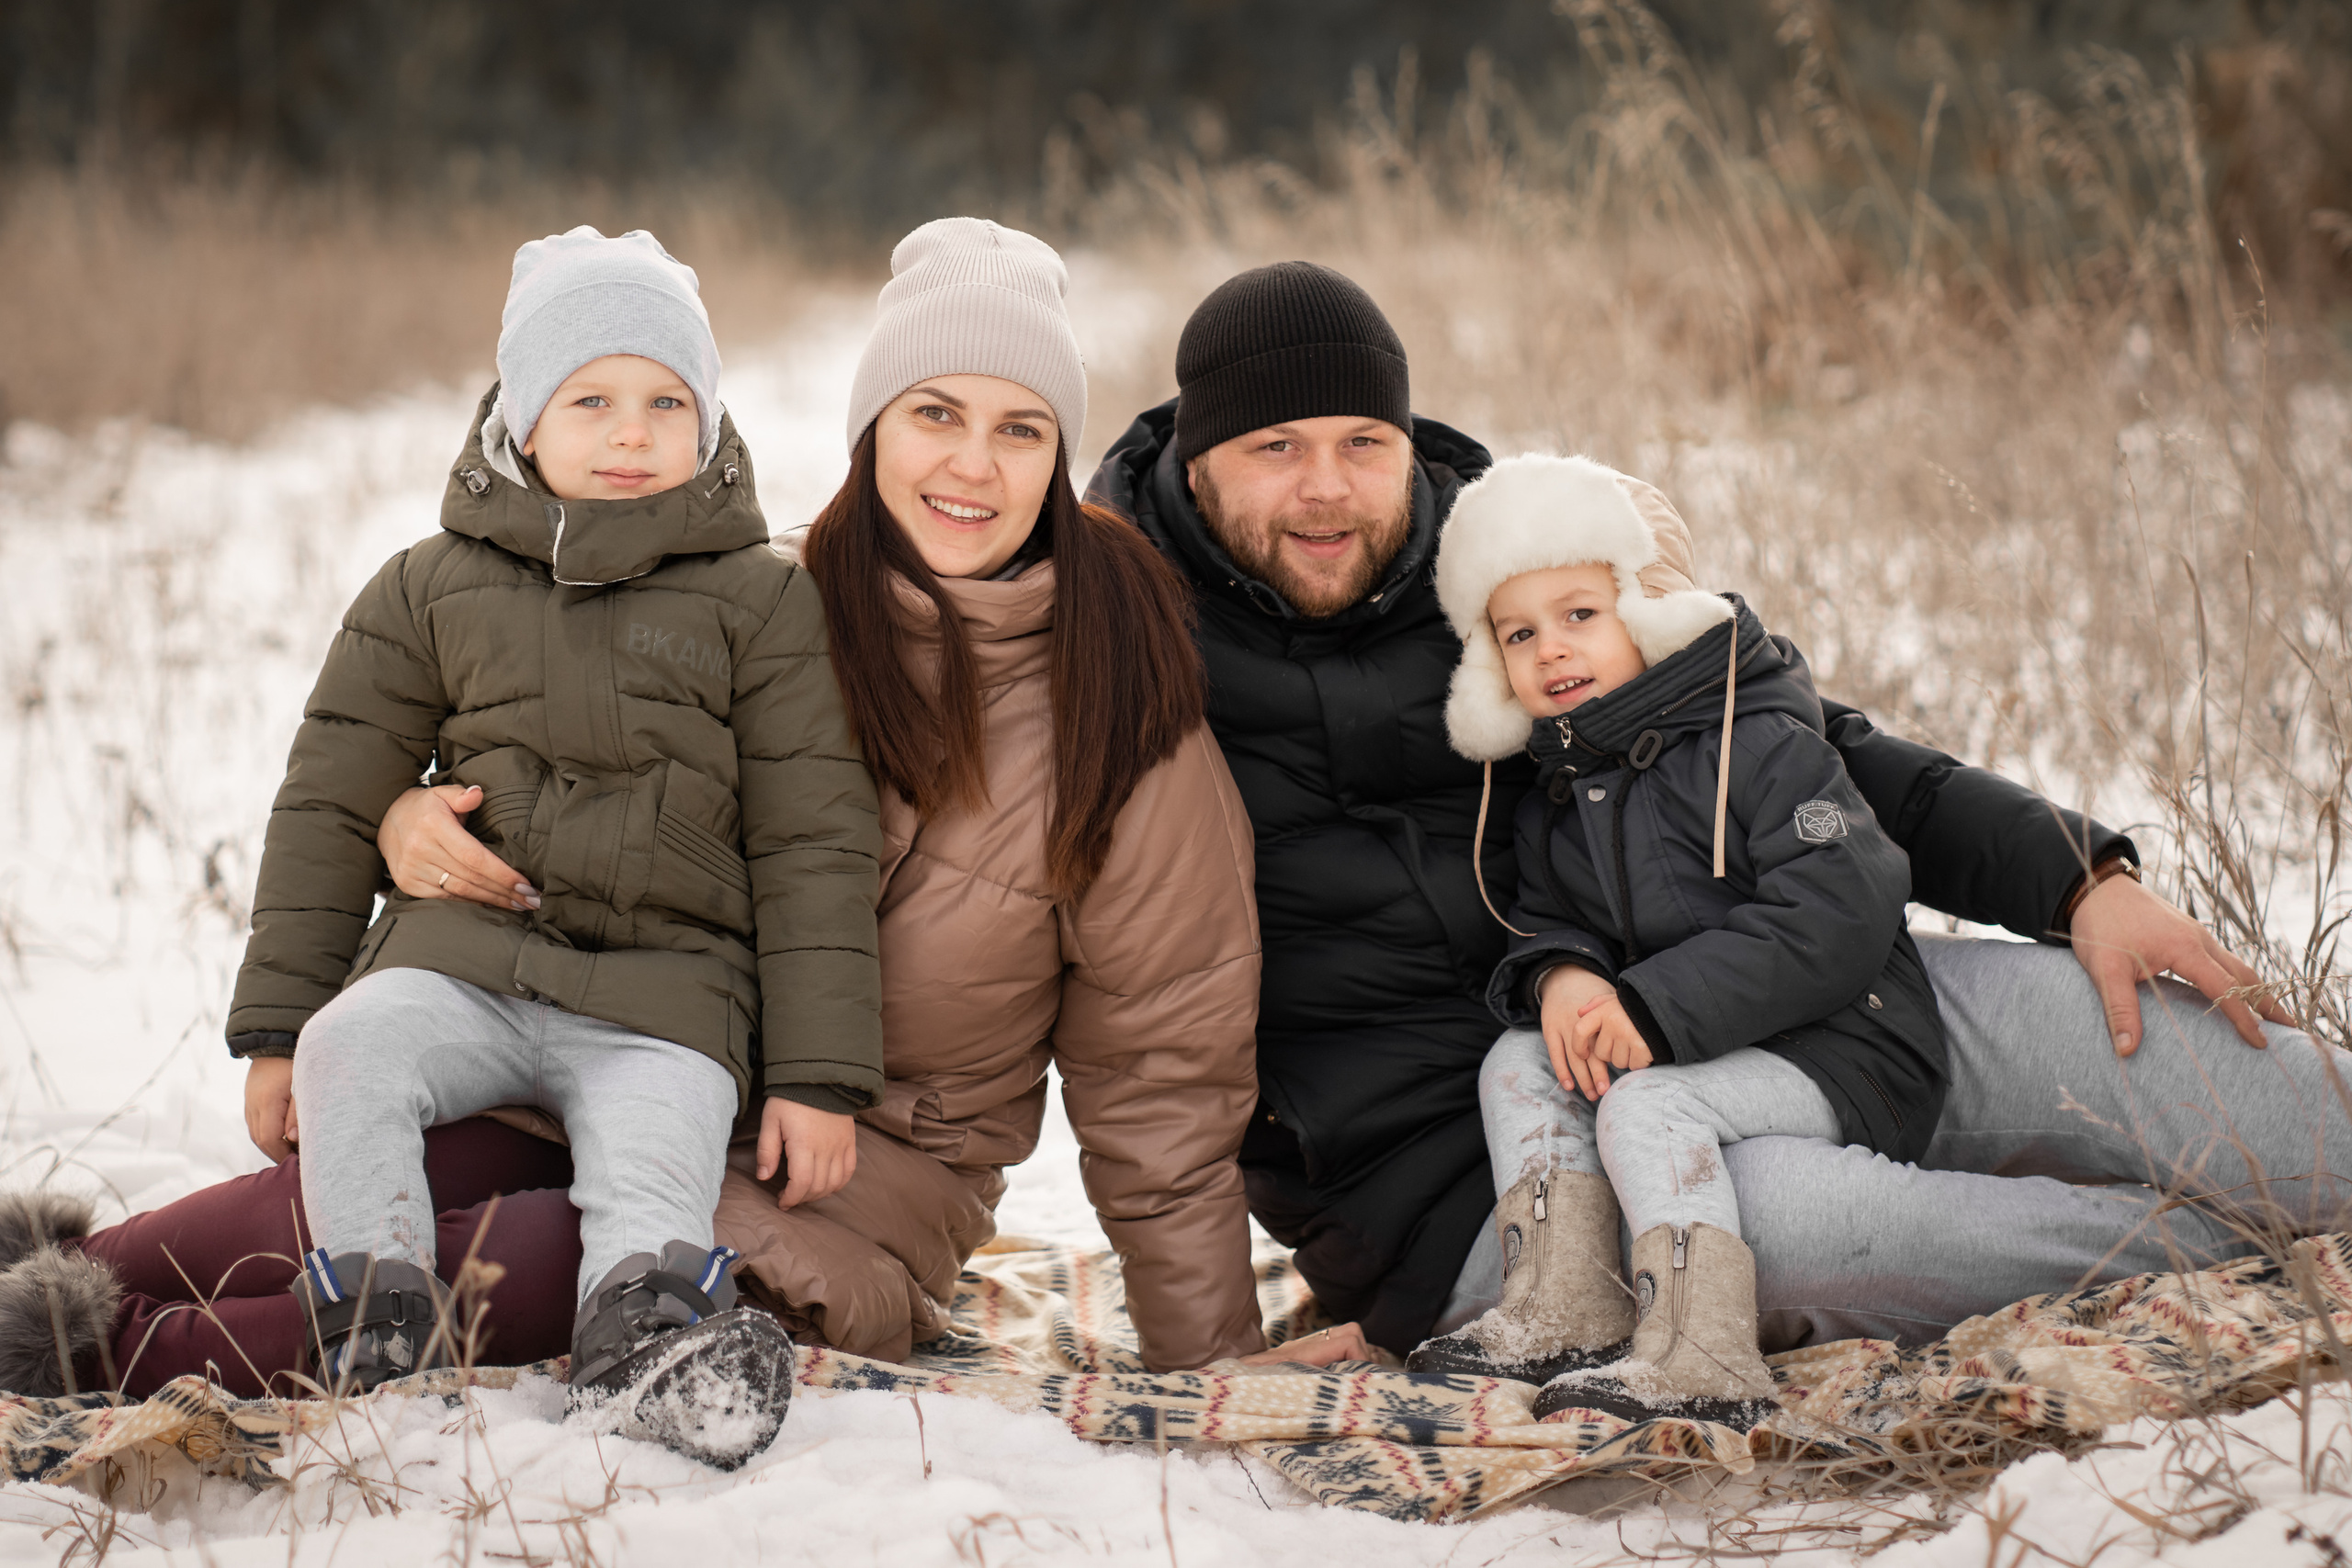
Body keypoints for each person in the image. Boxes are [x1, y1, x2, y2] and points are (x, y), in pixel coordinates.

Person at [1083, 259, 2334, 1357]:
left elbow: (1799, 742)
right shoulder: (1117, 653)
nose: (1329, 489)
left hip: (1763, 990)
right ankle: (2232, 1261)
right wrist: (1208, 1345)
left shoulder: (1517, 570)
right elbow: (1116, 1030)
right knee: (1827, 1232)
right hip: (1467, 1180)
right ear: (1200, 458)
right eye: (1277, 447)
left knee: (2206, 1071)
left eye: (1364, 440)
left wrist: (2079, 880)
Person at [174, 227, 864, 1466]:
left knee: (653, 1168)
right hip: (468, 966)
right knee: (355, 1045)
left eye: (667, 402)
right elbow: (333, 797)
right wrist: (281, 1027)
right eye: (589, 398)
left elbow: (813, 836)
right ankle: (378, 1310)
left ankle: (647, 1338)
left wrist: (815, 1072)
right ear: (520, 421)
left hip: (670, 1001)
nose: (631, 432)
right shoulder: (427, 587)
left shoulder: (761, 602)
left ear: (708, 426)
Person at [1408, 452, 1947, 1428]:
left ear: (1649, 611)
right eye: (1518, 633)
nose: (1550, 650)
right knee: (1517, 1062)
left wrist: (1653, 1009)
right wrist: (1563, 973)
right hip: (1707, 1047)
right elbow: (1544, 914)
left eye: (1580, 614)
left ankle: (1704, 1354)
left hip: (1839, 1046)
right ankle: (1561, 1306)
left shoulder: (1764, 738)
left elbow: (1841, 906)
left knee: (1642, 1110)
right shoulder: (1554, 787)